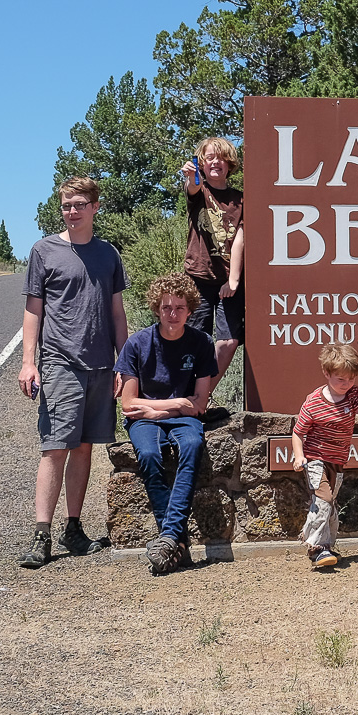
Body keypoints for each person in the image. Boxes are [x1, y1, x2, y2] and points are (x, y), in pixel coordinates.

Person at [17, 176, 129, 569]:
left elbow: (117, 312)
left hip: (101, 365)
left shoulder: (108, 254)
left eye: (80, 204)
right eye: (67, 204)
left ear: (95, 207)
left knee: (84, 447)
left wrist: (123, 363)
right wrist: (29, 361)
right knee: (56, 446)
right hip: (62, 362)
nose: (73, 211)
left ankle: (74, 528)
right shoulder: (44, 251)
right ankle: (41, 534)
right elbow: (34, 311)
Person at [116, 273, 219, 576]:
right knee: (148, 455)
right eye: (166, 308)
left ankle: (169, 538)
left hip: (182, 419)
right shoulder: (138, 343)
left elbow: (199, 403)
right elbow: (128, 404)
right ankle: (176, 539)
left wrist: (161, 409)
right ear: (156, 309)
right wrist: (172, 405)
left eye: (179, 308)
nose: (172, 315)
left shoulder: (201, 343)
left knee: (192, 445)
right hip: (144, 419)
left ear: (190, 310)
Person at [291, 344, 358, 569]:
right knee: (324, 500)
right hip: (315, 459)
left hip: (338, 462)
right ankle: (316, 548)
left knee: (331, 504)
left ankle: (326, 545)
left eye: (351, 379)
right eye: (341, 379)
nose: (346, 384)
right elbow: (298, 432)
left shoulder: (354, 394)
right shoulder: (313, 401)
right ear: (327, 373)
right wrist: (299, 457)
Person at [179, 137, 244, 384]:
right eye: (210, 158)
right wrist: (191, 175)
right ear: (202, 163)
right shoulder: (199, 191)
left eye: (221, 158)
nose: (216, 162)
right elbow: (193, 186)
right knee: (196, 338)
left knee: (229, 341)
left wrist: (234, 281)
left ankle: (202, 395)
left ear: (229, 164)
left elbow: (240, 239)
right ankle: (186, 394)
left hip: (229, 281)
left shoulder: (240, 199)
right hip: (198, 277)